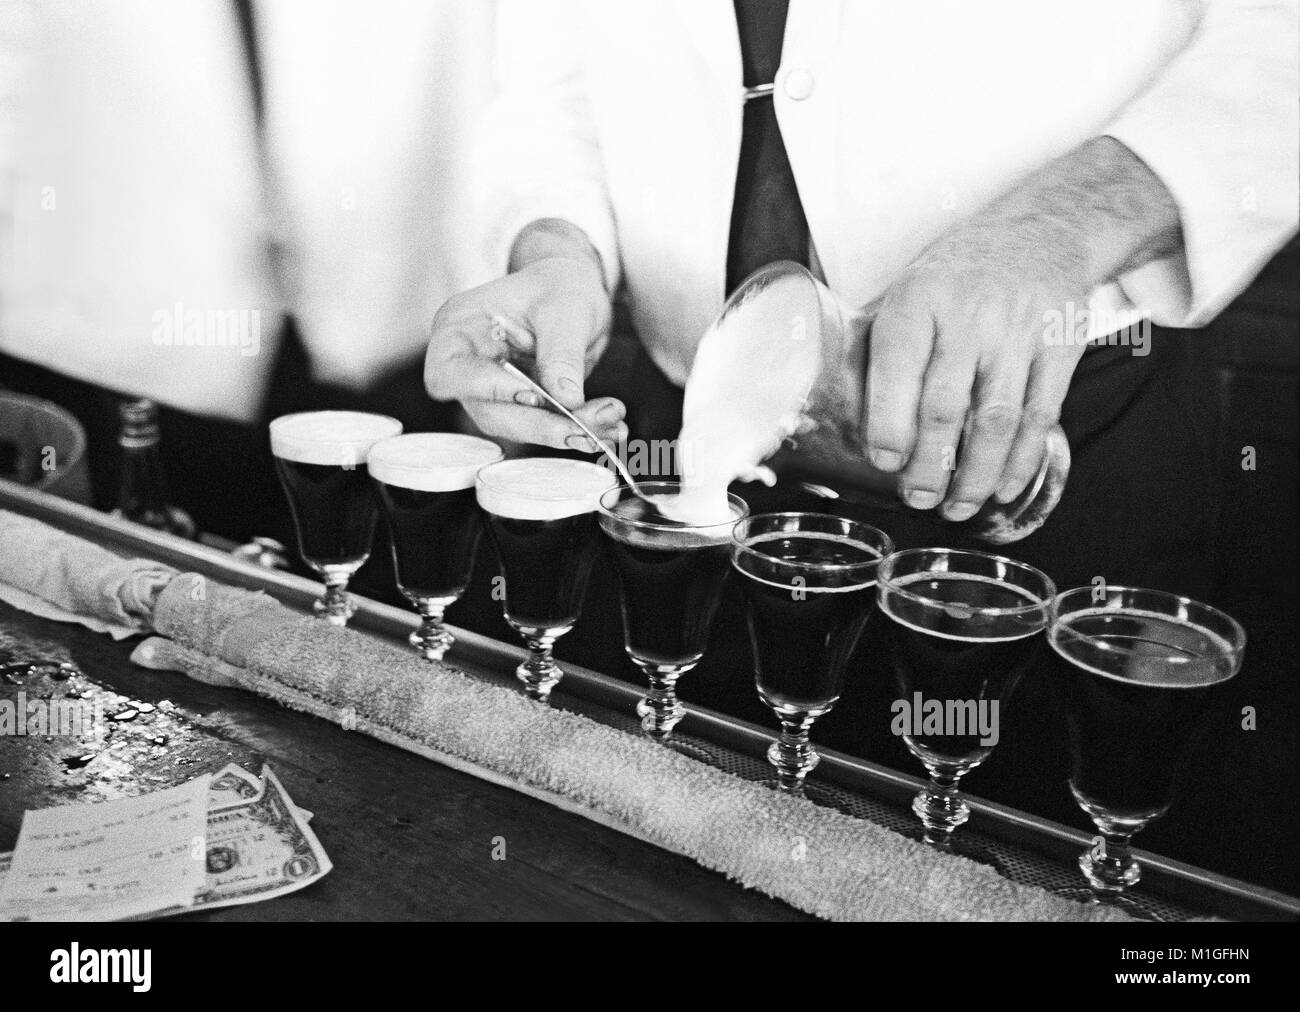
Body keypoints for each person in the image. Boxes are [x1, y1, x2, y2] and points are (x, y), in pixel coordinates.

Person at [425, 0, 1299, 832]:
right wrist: (555, 247)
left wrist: (1061, 226)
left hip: (1040, 440)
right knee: (679, 843)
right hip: (689, 458)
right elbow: (550, 80)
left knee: (1038, 858)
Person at [0, 0, 496, 545]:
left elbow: (488, 80)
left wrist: (489, 311)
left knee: (384, 587)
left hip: (390, 318)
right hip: (119, 341)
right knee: (139, 581)